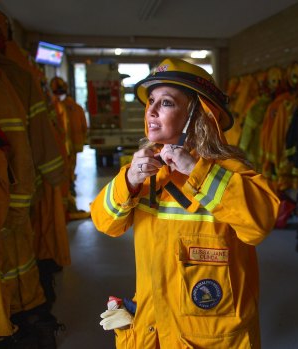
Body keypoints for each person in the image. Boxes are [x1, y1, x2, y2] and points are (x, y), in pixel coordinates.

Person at [90, 57, 280, 348]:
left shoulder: (228, 171)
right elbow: (105, 224)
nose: (150, 110)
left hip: (211, 338)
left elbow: (260, 224)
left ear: (198, 114)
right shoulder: (143, 171)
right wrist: (128, 180)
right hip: (154, 330)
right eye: (150, 100)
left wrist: (196, 170)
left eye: (165, 103)